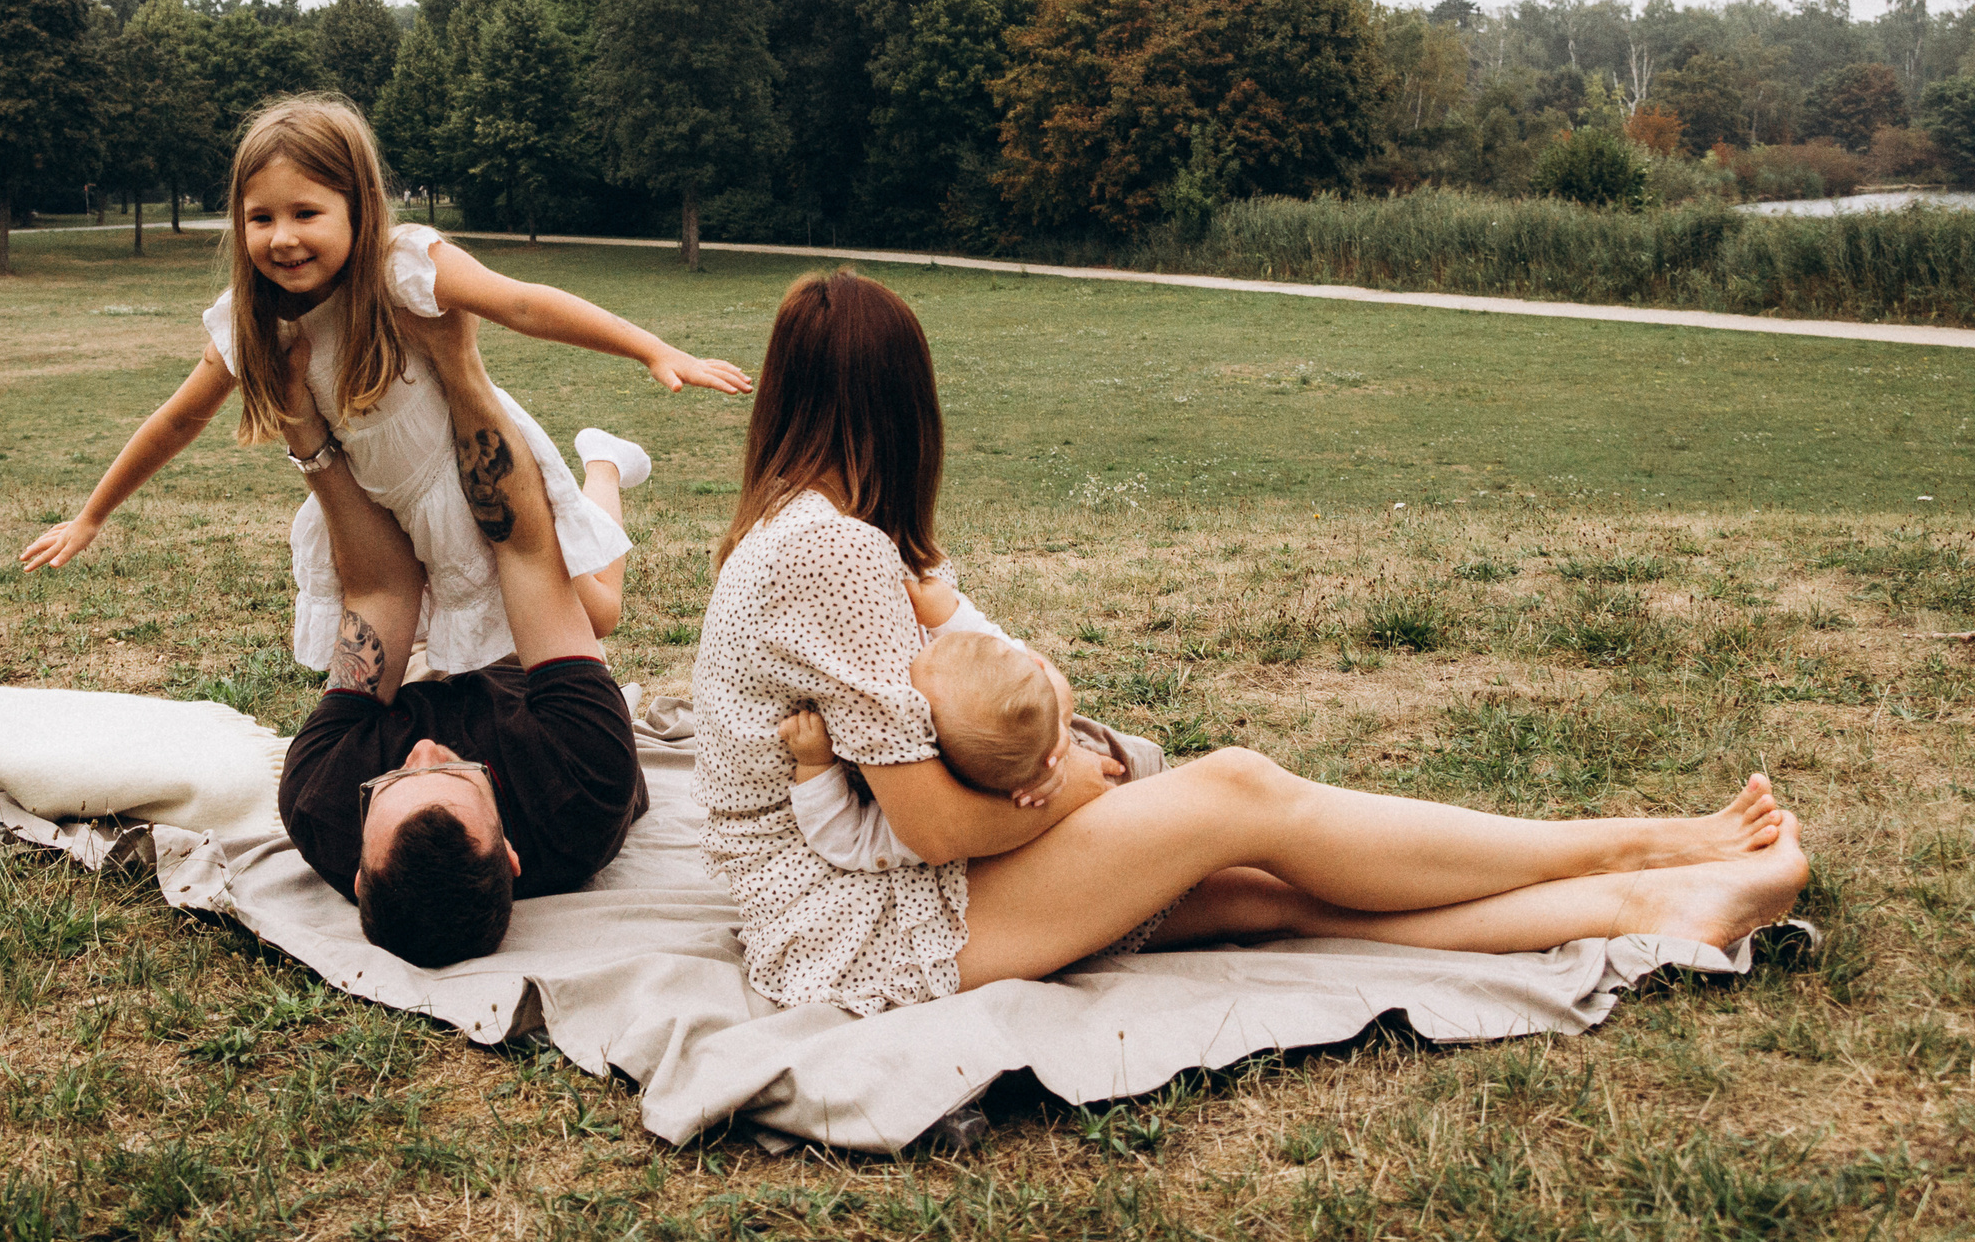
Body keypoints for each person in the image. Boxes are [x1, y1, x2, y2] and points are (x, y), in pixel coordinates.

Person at [692, 267, 1809, 1016]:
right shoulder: (823, 549)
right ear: (906, 405)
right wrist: (1087, 781)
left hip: (849, 901)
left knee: (1259, 887)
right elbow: (932, 828)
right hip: (855, 929)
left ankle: (1641, 902)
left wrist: (1080, 769)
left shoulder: (808, 530)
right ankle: (1630, 847)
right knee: (1238, 792)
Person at [21, 95, 750, 679]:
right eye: (260, 217)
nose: (282, 237)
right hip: (383, 507)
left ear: (357, 208)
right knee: (446, 640)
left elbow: (519, 301)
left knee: (595, 615)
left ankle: (604, 465)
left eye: (306, 212)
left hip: (479, 474)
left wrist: (653, 348)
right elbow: (176, 421)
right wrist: (92, 516)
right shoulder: (255, 323)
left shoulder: (402, 266)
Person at [273, 305, 648, 967]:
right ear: (510, 854)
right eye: (455, 770)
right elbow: (525, 545)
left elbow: (382, 588)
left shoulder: (321, 801)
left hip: (414, 675)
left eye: (389, 781)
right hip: (524, 678)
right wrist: (458, 361)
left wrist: (303, 427)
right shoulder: (585, 780)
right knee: (597, 608)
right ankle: (607, 463)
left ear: (358, 875)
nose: (422, 750)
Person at [779, 628, 1164, 876]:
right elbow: (1026, 661)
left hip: (1103, 815)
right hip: (1128, 760)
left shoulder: (922, 807)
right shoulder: (1015, 725)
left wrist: (817, 765)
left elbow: (846, 839)